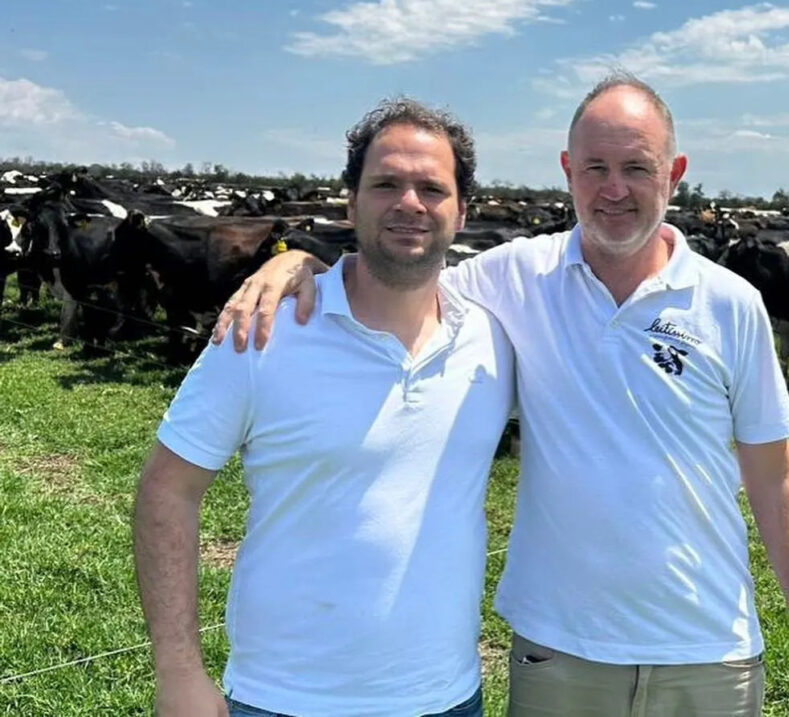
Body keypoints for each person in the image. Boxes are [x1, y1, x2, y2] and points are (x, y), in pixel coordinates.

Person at [216, 74, 789, 717]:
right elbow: (399, 272)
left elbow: (776, 477)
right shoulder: (512, 276)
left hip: (712, 649)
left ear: (675, 173)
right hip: (558, 652)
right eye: (595, 166)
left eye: (637, 167)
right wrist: (298, 260)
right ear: (568, 171)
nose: (614, 188)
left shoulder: (731, 304)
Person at [133, 99, 515, 717]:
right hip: (282, 699)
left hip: (446, 698)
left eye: (431, 188)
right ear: (351, 202)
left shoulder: (492, 340)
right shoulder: (261, 333)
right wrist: (178, 672)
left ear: (462, 211)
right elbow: (167, 491)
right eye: (386, 183)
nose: (409, 203)